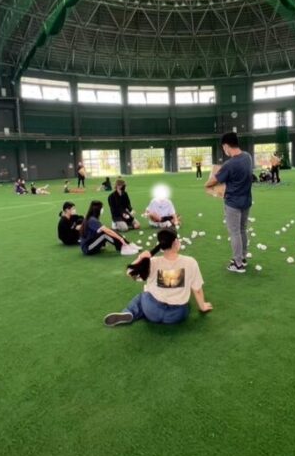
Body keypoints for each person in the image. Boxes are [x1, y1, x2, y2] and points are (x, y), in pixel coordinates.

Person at [103, 228, 213, 327]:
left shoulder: (152, 262)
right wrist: (202, 306)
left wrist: (140, 257)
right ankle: (137, 312)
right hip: (177, 315)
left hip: (152, 311)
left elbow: (130, 272)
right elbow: (197, 289)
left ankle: (129, 312)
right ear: (176, 242)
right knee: (186, 305)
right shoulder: (190, 262)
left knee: (142, 297)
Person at [204, 132, 253, 274]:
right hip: (246, 201)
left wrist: (206, 184)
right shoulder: (247, 157)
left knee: (235, 232)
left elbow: (214, 181)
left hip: (233, 203)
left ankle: (238, 264)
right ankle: (242, 257)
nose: (223, 150)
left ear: (226, 146)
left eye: (223, 147)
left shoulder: (229, 164)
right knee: (242, 229)